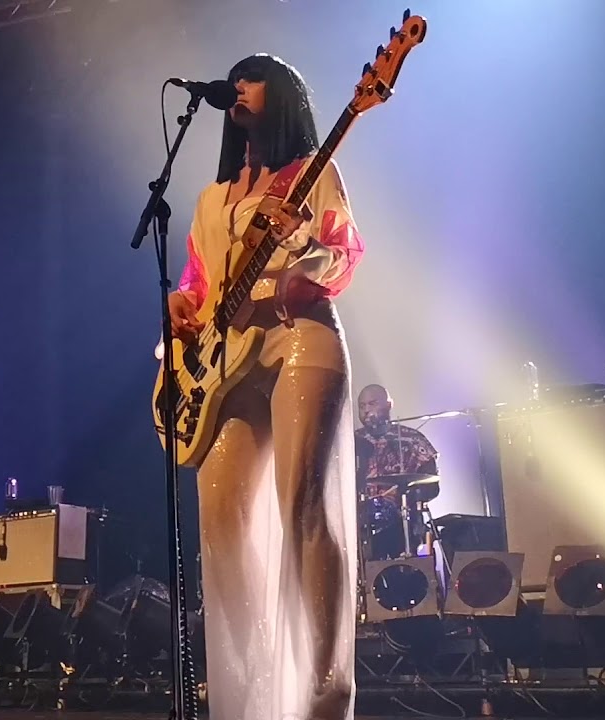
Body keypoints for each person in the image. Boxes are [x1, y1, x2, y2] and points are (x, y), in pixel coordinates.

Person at [167, 54, 365, 720]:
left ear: (280, 96)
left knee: (302, 504)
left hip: (299, 334)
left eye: (252, 78)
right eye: (236, 78)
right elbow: (200, 280)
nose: (239, 87)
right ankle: (254, 690)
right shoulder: (210, 198)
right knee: (219, 518)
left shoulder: (312, 174)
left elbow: (344, 256)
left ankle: (326, 694)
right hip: (227, 362)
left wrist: (302, 251)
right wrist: (182, 302)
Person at [354, 384, 439, 559]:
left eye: (372, 404)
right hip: (360, 522)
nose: (366, 410)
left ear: (389, 405)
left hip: (403, 521)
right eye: (362, 406)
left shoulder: (411, 439)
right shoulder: (352, 441)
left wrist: (407, 496)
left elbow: (431, 484)